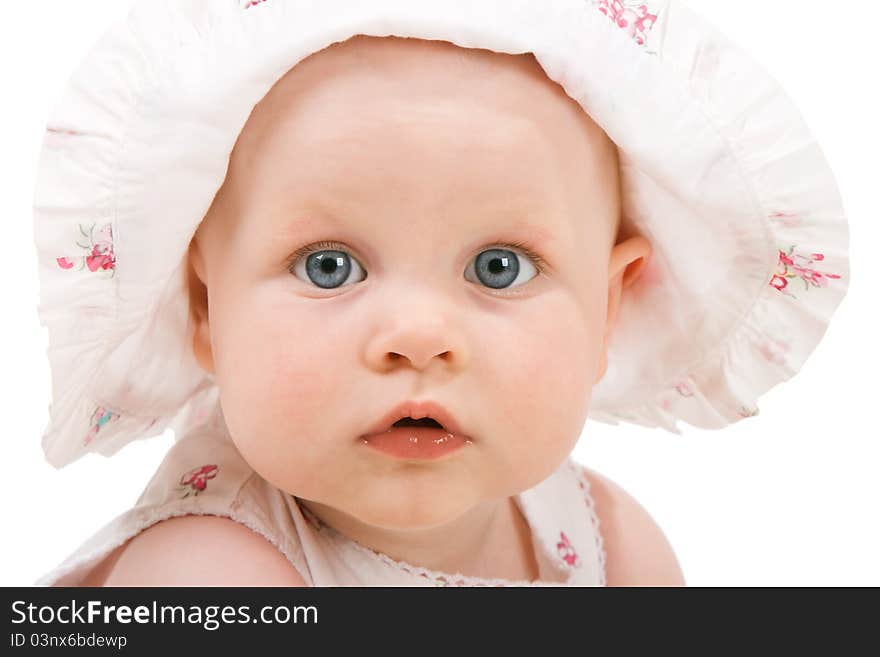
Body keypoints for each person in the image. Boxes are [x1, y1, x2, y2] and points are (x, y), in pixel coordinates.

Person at [32, 0, 848, 587]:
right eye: (329, 266)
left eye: (501, 266)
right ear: (206, 307)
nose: (419, 336)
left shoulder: (607, 545)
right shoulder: (212, 576)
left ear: (609, 308)